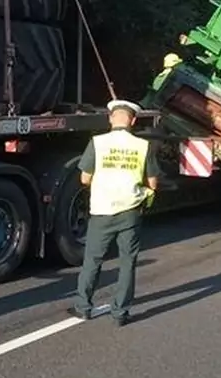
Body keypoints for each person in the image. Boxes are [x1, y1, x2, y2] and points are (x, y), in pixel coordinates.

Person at [69, 99, 161, 326]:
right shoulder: (142, 146)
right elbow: (153, 182)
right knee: (128, 261)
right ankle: (120, 312)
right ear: (133, 120)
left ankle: (83, 307)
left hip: (102, 210)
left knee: (93, 259)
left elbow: (84, 178)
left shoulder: (97, 143)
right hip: (130, 210)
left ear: (110, 119)